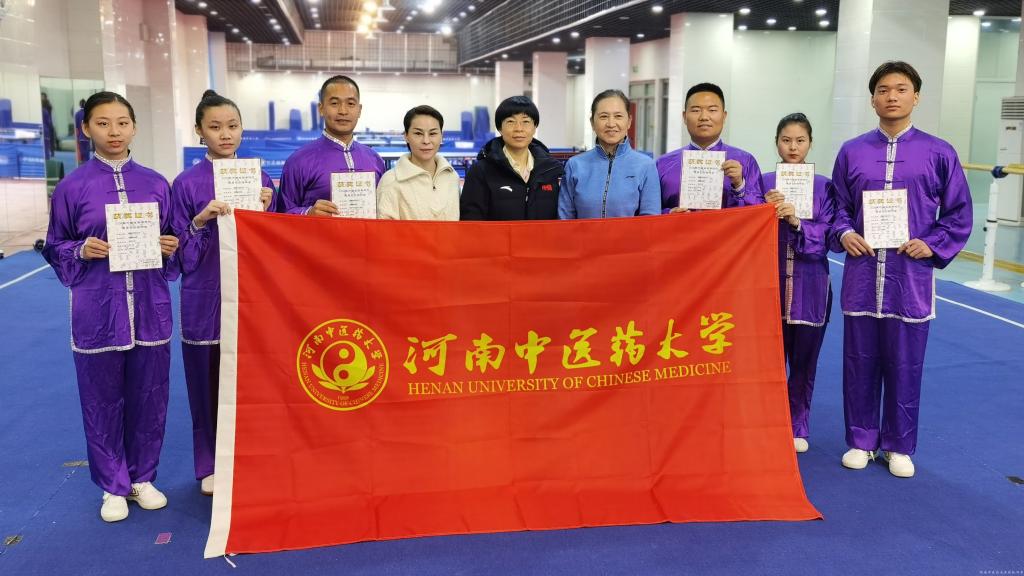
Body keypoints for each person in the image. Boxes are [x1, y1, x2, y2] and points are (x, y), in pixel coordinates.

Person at [830, 61, 973, 478]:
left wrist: (932, 244)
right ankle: (861, 439)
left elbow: (959, 212)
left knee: (906, 364)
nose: (892, 96)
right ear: (872, 99)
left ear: (916, 96)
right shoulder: (852, 151)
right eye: (883, 89)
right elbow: (836, 207)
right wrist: (844, 233)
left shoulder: (940, 152)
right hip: (861, 275)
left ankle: (898, 445)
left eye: (901, 88)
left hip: (910, 279)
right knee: (859, 361)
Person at [42, 91, 180, 522]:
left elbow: (173, 240)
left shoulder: (156, 183)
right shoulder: (72, 187)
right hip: (98, 309)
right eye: (103, 123)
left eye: (122, 122)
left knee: (150, 394)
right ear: (86, 129)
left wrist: (169, 245)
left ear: (134, 127)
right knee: (101, 398)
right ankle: (112, 485)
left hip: (150, 306)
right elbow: (55, 245)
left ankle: (142, 477)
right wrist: (80, 250)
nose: (114, 131)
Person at [170, 90, 275, 496]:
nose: (225, 134)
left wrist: (268, 210)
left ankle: (253, 457)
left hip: (252, 297)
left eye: (232, 126)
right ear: (199, 131)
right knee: (207, 384)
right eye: (215, 127)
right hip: (204, 298)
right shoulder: (185, 184)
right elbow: (177, 257)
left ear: (242, 130)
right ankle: (210, 464)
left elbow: (275, 247)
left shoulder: (261, 179)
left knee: (255, 383)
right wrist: (199, 221)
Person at [762, 113, 835, 454]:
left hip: (811, 287)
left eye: (800, 141)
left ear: (810, 143)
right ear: (776, 143)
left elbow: (830, 235)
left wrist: (796, 221)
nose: (793, 147)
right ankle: (769, 422)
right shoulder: (763, 183)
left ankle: (797, 424)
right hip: (769, 286)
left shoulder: (824, 186)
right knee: (768, 362)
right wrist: (759, 209)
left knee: (804, 363)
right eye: (786, 140)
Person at [277, 75, 385, 216]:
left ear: (359, 110)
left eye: (350, 104)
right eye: (334, 103)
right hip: (316, 232)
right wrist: (308, 213)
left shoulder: (375, 159)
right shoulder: (298, 161)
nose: (343, 111)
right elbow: (281, 213)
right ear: (321, 108)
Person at [656, 82, 763, 212]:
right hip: (678, 226)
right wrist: (668, 213)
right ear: (684, 117)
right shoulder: (663, 164)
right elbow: (647, 212)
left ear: (724, 116)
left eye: (712, 110)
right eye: (696, 110)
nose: (704, 117)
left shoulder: (745, 161)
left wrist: (739, 185)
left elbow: (760, 212)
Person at [559, 89, 660, 219]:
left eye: (618, 116)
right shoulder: (575, 165)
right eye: (603, 116)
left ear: (629, 121)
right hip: (582, 234)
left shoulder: (645, 166)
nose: (611, 124)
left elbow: (650, 221)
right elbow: (564, 219)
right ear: (592, 122)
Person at [460, 95, 563, 220]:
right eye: (510, 121)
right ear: (500, 128)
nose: (519, 129)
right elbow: (471, 220)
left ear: (535, 127)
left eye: (526, 122)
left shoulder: (550, 169)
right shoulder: (481, 171)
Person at [376, 105, 460, 220]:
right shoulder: (391, 181)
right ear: (406, 136)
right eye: (418, 133)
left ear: (442, 136)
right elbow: (385, 229)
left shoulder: (452, 177)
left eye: (433, 134)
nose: (426, 141)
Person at [74, 99, 91, 164]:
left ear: (80, 105)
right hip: (87, 136)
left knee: (81, 153)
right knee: (87, 154)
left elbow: (76, 127)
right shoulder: (88, 114)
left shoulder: (77, 114)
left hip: (80, 137)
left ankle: (82, 166)